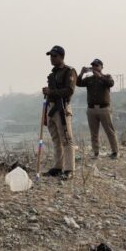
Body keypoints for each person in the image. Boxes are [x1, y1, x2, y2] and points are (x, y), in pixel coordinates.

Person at [42, 45, 77, 180]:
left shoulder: (69, 71)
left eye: (54, 56)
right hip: (51, 108)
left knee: (67, 139)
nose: (52, 58)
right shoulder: (52, 74)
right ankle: (58, 167)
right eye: (51, 56)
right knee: (56, 139)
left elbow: (69, 90)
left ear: (62, 57)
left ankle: (69, 169)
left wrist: (52, 92)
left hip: (62, 108)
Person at [76, 59, 119, 159]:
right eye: (93, 66)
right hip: (91, 109)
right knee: (94, 132)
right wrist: (81, 73)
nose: (94, 67)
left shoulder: (106, 77)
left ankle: (115, 152)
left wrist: (101, 77)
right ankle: (96, 152)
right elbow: (78, 83)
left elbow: (111, 83)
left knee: (109, 131)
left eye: (96, 65)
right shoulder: (89, 79)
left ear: (101, 67)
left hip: (104, 109)